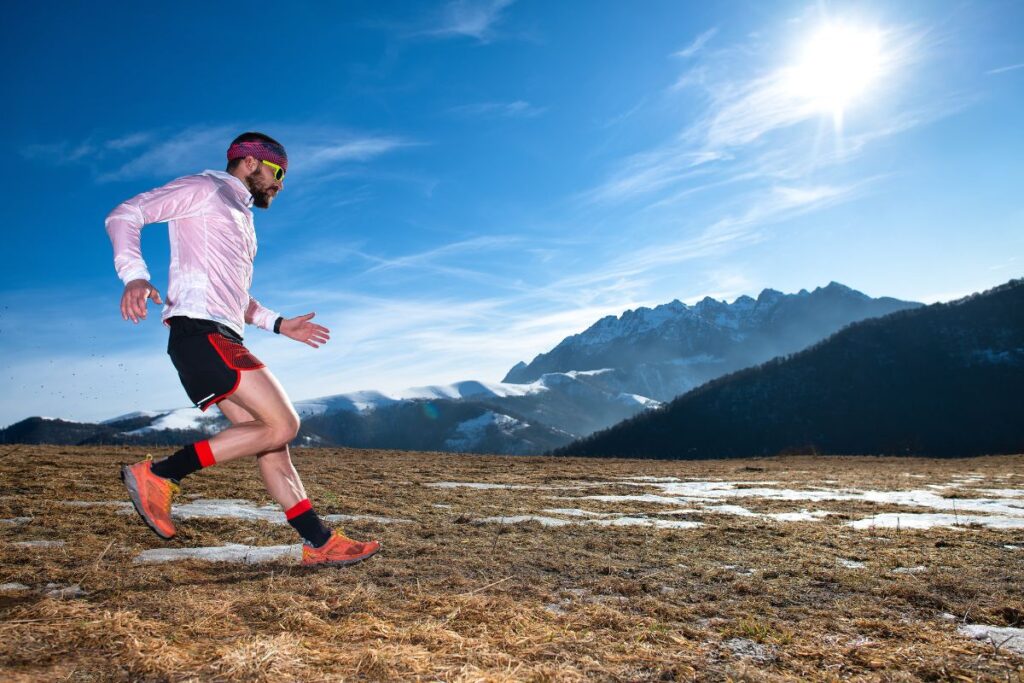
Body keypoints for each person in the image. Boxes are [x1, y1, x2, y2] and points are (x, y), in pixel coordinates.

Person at [105, 132, 380, 567]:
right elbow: (125, 214)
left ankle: (319, 543)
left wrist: (277, 323)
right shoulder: (205, 188)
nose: (281, 185)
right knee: (284, 424)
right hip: (201, 332)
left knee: (272, 443)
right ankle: (159, 474)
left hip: (220, 334)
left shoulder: (239, 215)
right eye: (278, 172)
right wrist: (135, 276)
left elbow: (236, 295)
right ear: (251, 162)